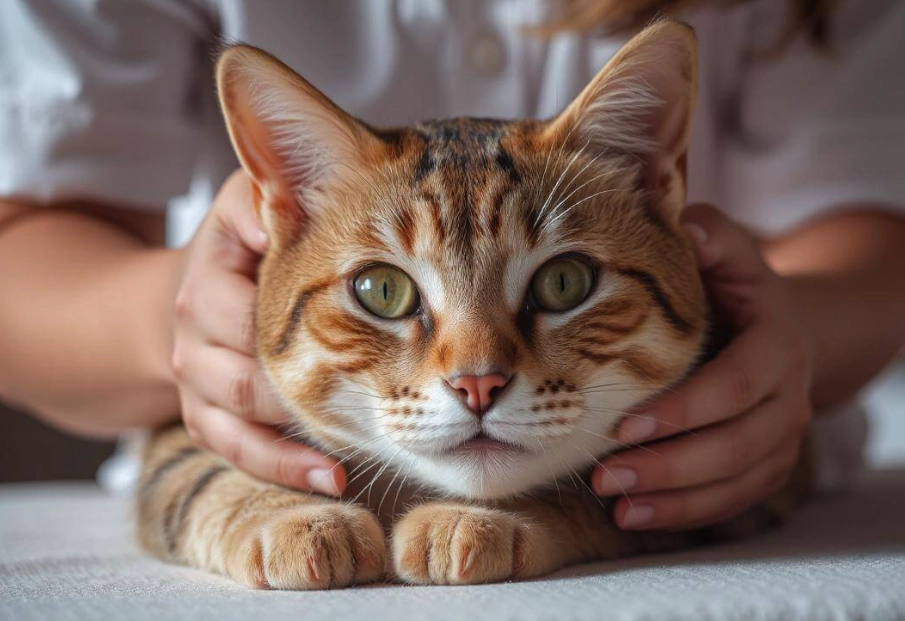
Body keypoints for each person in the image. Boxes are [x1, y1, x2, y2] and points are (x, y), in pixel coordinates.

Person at [1, 0, 903, 532]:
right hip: (260, 462)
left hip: (710, 476)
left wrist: (788, 335)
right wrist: (180, 316)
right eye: (386, 291)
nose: (477, 373)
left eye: (558, 284)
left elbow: (874, 222)